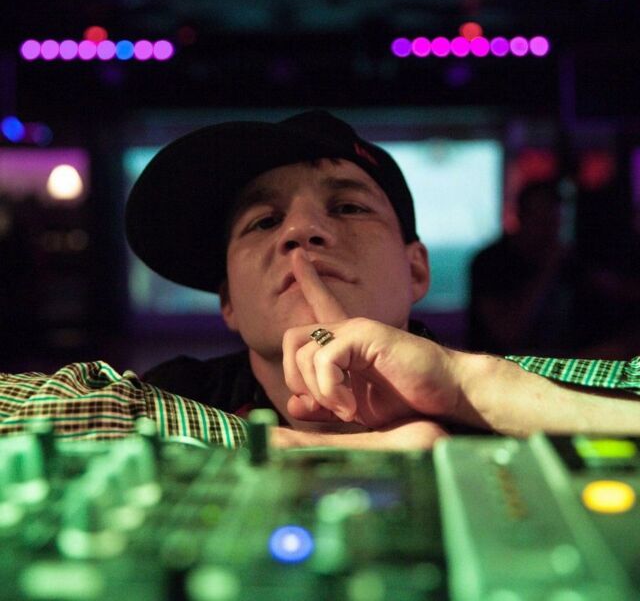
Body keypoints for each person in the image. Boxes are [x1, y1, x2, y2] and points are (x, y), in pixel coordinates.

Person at [1, 111, 639, 449]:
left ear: (416, 268)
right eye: (263, 221)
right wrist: (293, 445)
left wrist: (476, 388)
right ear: (227, 300)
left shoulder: (503, 392)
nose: (301, 232)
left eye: (349, 207)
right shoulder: (181, 396)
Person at [468, 180, 580, 356]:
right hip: (499, 365)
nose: (550, 231)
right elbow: (506, 333)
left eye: (556, 222)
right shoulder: (490, 262)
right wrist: (547, 270)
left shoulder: (570, 262)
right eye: (541, 221)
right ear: (521, 217)